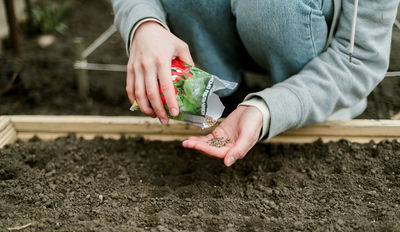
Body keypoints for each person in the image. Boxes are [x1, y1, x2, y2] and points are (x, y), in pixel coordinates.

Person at [111, 0, 399, 166]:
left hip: (306, 66)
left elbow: (358, 57)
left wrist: (269, 108)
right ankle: (223, 98)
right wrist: (144, 24)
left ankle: (280, 107)